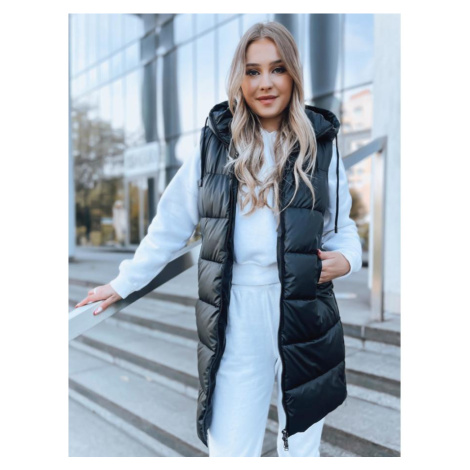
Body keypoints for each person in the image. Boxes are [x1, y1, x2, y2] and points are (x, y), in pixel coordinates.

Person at [75, 21, 362, 457]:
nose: (265, 83)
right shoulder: (215, 142)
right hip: (236, 307)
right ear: (239, 79)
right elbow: (171, 223)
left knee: (302, 449)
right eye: (253, 71)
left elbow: (342, 228)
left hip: (306, 306)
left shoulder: (320, 143)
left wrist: (348, 259)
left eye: (277, 69)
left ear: (293, 75)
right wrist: (123, 282)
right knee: (229, 446)